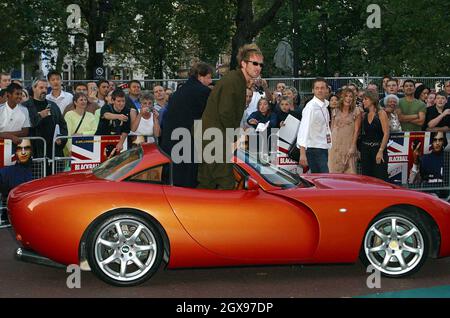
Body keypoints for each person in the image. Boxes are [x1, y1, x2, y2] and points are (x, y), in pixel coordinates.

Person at [197, 44, 263, 189]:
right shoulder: (234, 81)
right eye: (255, 63)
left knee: (206, 182)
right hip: (214, 139)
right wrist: (234, 138)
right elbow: (226, 113)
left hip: (211, 137)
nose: (258, 67)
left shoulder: (236, 80)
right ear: (244, 64)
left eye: (260, 64)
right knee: (226, 182)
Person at [161, 62, 213, 188]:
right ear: (200, 76)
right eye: (209, 77)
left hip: (170, 141)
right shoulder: (202, 91)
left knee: (173, 175)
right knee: (187, 177)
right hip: (186, 141)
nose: (210, 81)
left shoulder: (179, 91)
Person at [24, 78, 68, 162]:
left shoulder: (53, 106)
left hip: (52, 151)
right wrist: (39, 115)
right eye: (41, 88)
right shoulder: (25, 106)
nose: (44, 90)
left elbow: (62, 125)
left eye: (46, 88)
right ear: (34, 88)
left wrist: (61, 138)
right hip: (34, 150)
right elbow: (25, 126)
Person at [296, 78, 332, 173]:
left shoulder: (325, 105)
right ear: (313, 90)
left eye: (322, 88)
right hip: (314, 148)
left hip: (323, 147)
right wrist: (302, 154)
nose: (320, 90)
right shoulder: (310, 107)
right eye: (317, 88)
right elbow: (303, 130)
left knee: (320, 180)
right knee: (323, 179)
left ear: (327, 90)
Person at [328, 88, 362, 174]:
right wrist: (329, 145)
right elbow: (331, 128)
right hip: (335, 146)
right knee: (333, 172)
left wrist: (353, 146)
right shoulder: (335, 111)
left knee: (350, 173)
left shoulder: (357, 111)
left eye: (351, 96)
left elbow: (357, 130)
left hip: (348, 145)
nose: (348, 98)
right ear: (342, 97)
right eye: (346, 96)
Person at [0, 138, 33, 224]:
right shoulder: (6, 172)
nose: (23, 152)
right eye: (19, 149)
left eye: (26, 148)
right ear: (15, 152)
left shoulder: (39, 168)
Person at [359, 91, 390, 181]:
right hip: (365, 149)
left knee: (380, 176)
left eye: (365, 99)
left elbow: (386, 133)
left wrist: (380, 151)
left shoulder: (381, 113)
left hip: (378, 148)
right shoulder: (365, 115)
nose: (363, 101)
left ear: (372, 100)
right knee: (367, 178)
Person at [95, 89, 131, 153]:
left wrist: (121, 143)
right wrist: (118, 116)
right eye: (118, 101)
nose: (121, 103)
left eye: (123, 101)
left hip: (116, 139)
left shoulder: (126, 110)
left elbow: (126, 130)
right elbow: (106, 115)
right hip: (101, 139)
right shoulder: (106, 107)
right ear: (112, 101)